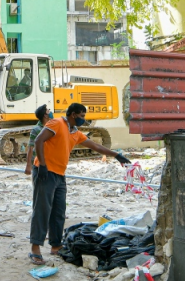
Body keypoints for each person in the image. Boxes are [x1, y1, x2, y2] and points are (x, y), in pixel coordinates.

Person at [28, 103, 130, 265]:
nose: (84, 119)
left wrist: (116, 155)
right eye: (82, 116)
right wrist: (42, 165)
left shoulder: (75, 132)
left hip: (59, 174)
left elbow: (95, 146)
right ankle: (35, 249)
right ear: (73, 114)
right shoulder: (56, 123)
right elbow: (39, 140)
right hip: (45, 172)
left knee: (58, 211)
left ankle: (56, 245)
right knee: (42, 210)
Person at [23, 104, 52, 175]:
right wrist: (28, 165)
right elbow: (30, 147)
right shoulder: (36, 130)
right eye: (48, 111)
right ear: (45, 115)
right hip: (38, 161)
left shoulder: (51, 126)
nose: (50, 112)